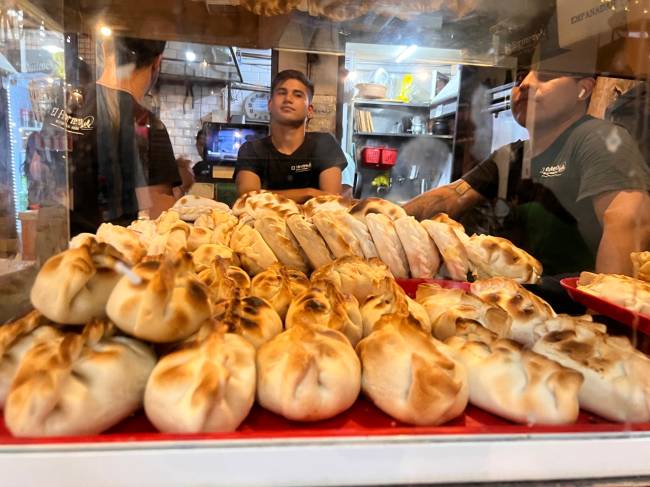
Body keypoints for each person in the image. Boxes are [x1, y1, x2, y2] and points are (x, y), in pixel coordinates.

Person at [403, 69, 650, 276]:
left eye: (545, 76)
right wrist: (382, 216)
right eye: (521, 78)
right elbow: (453, 196)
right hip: (515, 302)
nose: (526, 85)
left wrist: (602, 317)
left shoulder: (597, 138)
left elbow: (628, 223)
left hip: (572, 312)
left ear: (583, 89)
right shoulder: (513, 155)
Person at [63, 36, 181, 235]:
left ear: (105, 46)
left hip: (59, 258)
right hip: (115, 260)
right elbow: (160, 220)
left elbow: (43, 199)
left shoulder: (64, 106)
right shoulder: (148, 126)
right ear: (157, 62)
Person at [234, 69, 346, 203]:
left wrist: (265, 196)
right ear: (270, 105)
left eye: (298, 95)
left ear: (309, 110)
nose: (288, 99)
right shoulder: (251, 149)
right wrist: (308, 193)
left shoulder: (325, 144)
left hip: (313, 223)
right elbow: (248, 198)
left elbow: (331, 201)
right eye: (282, 93)